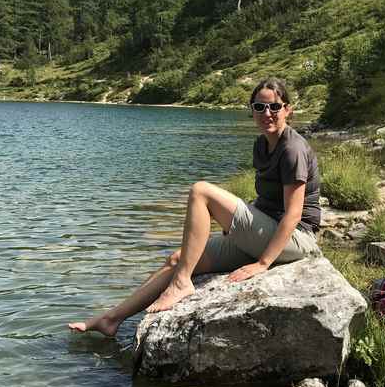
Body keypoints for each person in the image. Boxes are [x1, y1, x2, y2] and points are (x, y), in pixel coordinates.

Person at [68, 78, 321, 337]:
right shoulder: (262, 144)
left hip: (296, 240)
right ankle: (111, 319)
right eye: (259, 107)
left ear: (287, 109)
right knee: (178, 259)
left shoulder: (292, 149)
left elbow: (293, 214)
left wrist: (263, 263)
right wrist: (235, 226)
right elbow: (268, 200)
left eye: (275, 107)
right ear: (252, 110)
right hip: (267, 232)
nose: (267, 113)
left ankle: (181, 284)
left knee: (201, 191)